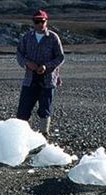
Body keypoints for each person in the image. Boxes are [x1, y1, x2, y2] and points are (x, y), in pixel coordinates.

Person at [16, 9, 65, 138]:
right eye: (37, 21)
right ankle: (21, 136)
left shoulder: (53, 38)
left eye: (42, 21)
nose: (40, 24)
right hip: (30, 78)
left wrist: (46, 66)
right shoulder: (26, 37)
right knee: (23, 109)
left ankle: (44, 134)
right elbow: (19, 54)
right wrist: (27, 63)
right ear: (33, 22)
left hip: (48, 79)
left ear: (46, 21)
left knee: (45, 109)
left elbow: (60, 57)